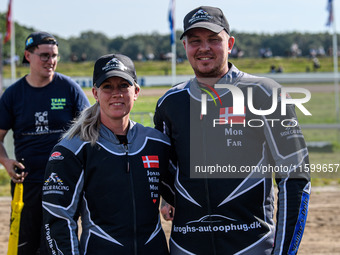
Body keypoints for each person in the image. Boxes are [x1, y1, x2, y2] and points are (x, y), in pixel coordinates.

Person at [155, 6, 311, 255]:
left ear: (230, 44)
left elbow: (296, 178)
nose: (204, 48)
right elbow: (163, 171)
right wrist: (169, 199)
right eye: (195, 41)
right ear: (184, 46)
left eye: (214, 40)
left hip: (252, 246)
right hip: (187, 247)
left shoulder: (266, 94)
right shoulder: (170, 103)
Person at [42, 53, 174, 254]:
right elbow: (58, 217)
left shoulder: (157, 143)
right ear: (95, 93)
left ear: (136, 91)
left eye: (123, 85)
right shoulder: (73, 149)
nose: (116, 93)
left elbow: (185, 191)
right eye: (107, 86)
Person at [0, 31, 90, 254]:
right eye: (44, 55)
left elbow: (91, 130)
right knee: (26, 245)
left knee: (59, 243)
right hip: (26, 184)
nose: (50, 61)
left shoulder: (70, 89)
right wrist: (5, 162)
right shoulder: (13, 95)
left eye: (54, 56)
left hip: (64, 182)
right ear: (28, 56)